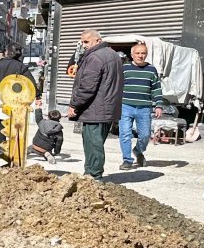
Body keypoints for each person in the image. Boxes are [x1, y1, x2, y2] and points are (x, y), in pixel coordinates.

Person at [66, 29, 124, 180]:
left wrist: (74, 105)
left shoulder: (95, 57)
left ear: (97, 40)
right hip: (106, 108)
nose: (84, 45)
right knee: (96, 142)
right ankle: (91, 175)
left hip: (95, 109)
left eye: (86, 42)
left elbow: (87, 87)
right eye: (82, 42)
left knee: (93, 144)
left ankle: (94, 175)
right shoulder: (113, 55)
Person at [119, 42, 163, 170]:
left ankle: (138, 150)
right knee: (125, 134)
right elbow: (117, 86)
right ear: (132, 55)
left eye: (143, 53)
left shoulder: (151, 70)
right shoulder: (124, 68)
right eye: (137, 53)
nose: (140, 56)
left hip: (144, 108)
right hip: (125, 106)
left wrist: (159, 105)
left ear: (146, 54)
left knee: (145, 135)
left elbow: (156, 89)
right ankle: (127, 160)